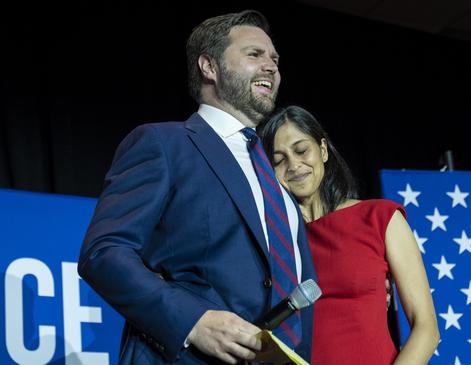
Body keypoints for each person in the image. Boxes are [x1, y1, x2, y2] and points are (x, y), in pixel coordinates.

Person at [77, 10, 317, 365]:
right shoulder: (164, 144)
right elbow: (104, 252)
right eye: (255, 55)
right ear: (209, 66)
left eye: (275, 59)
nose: (271, 67)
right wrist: (194, 321)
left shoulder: (275, 177)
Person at [258, 105, 440, 364]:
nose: (294, 165)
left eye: (301, 150)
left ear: (322, 150)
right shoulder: (272, 240)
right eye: (279, 160)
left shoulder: (380, 217)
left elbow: (427, 328)